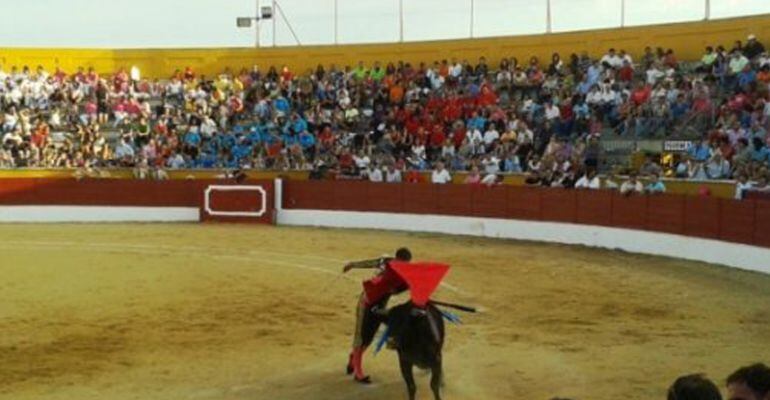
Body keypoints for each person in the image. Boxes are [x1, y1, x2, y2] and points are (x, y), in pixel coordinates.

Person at [342, 248, 413, 384]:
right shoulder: (386, 262)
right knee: (361, 336)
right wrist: (352, 264)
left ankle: (354, 357)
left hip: (379, 305)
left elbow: (403, 287)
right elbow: (371, 262)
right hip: (366, 303)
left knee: (369, 337)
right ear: (397, 258)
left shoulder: (400, 270)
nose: (403, 266)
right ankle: (358, 372)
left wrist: (352, 264)